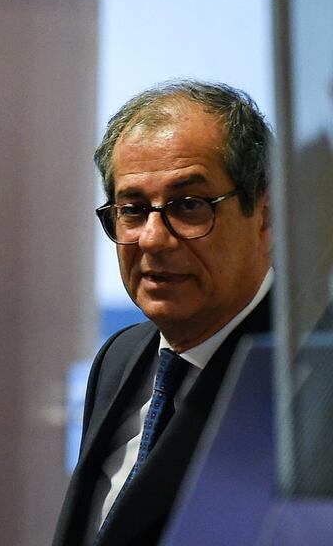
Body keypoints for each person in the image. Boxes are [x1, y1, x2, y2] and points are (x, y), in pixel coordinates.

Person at [53, 80, 273, 546]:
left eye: (189, 205)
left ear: (264, 214)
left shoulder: (306, 369)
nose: (152, 238)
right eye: (132, 209)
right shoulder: (120, 356)